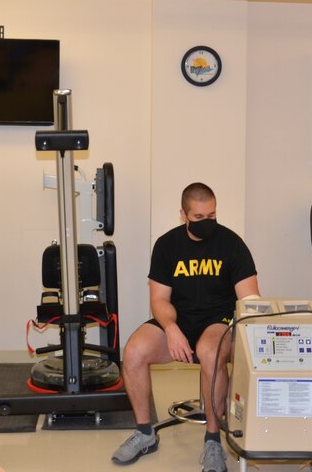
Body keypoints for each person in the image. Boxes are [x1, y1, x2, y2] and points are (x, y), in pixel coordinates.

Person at [112, 183, 259, 472]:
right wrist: (170, 327)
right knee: (133, 351)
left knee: (209, 350)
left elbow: (250, 298)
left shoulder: (232, 244)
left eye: (212, 215)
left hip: (218, 322)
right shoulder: (167, 245)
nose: (208, 223)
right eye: (199, 217)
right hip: (178, 321)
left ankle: (213, 439)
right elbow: (159, 299)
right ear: (183, 215)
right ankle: (144, 433)